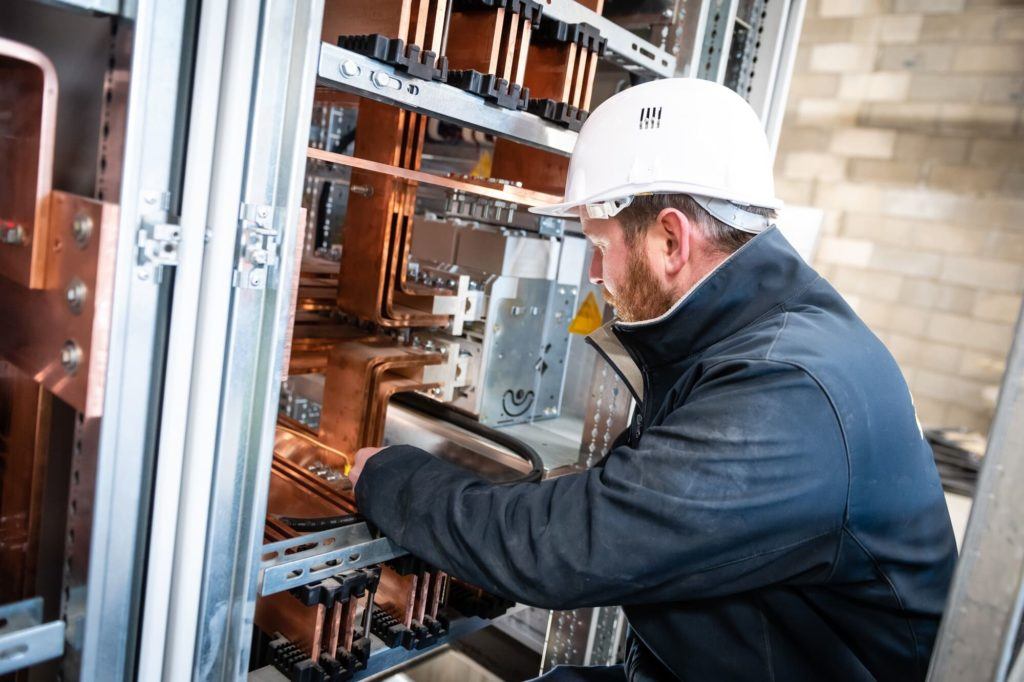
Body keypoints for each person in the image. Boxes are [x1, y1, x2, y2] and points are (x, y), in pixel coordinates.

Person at [348, 78, 957, 680]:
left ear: (670, 238)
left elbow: (564, 550)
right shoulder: (758, 336)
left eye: (598, 243)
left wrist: (387, 476)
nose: (593, 271)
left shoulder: (789, 389)